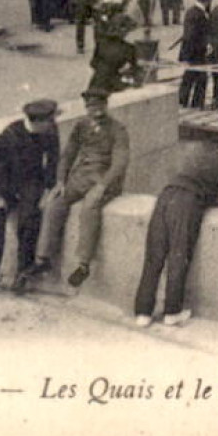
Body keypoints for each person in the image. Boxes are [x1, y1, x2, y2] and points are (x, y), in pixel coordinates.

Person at [132, 141, 218, 327]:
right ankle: (172, 312)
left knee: (154, 255)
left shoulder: (197, 157)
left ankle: (143, 312)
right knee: (178, 255)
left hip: (165, 197)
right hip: (187, 202)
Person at [33, 88, 130, 289]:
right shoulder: (81, 126)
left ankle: (83, 265)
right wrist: (60, 181)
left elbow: (120, 162)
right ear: (86, 108)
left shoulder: (117, 129)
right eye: (91, 107)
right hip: (81, 177)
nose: (95, 111)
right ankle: (43, 258)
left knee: (89, 208)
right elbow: (67, 155)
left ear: (105, 105)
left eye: (98, 106)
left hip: (105, 180)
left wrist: (102, 186)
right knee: (55, 203)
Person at [0, 99, 60, 300]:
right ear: (36, 122)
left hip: (31, 182)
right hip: (6, 183)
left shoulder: (50, 130)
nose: (51, 125)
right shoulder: (9, 136)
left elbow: (53, 160)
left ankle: (23, 274)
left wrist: (48, 188)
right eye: (48, 122)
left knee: (30, 220)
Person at [89, 13, 150, 91]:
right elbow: (136, 70)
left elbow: (93, 63)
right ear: (125, 31)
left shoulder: (101, 44)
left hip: (95, 83)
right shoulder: (128, 49)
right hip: (115, 84)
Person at [177, 0, 213, 110]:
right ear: (207, 0)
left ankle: (185, 102)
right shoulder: (198, 14)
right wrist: (205, 46)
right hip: (196, 52)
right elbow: (191, 36)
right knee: (198, 78)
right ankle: (195, 103)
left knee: (192, 77)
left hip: (193, 52)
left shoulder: (192, 11)